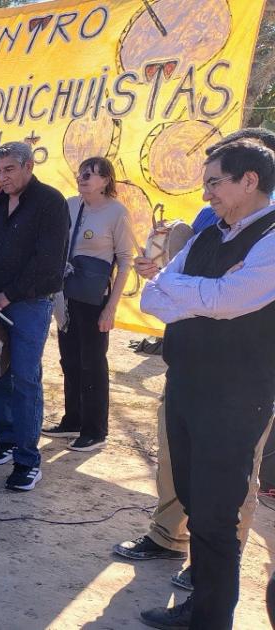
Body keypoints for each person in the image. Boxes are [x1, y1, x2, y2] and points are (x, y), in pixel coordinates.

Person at [113, 128, 275, 593]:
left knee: (225, 493)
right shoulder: (212, 225)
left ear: (249, 179)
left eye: (214, 180)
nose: (206, 193)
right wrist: (193, 291)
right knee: (181, 472)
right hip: (188, 378)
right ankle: (172, 538)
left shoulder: (267, 232)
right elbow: (155, 296)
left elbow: (229, 299)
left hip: (239, 391)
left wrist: (184, 289)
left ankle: (211, 570)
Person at [0, 141, 69, 492]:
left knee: (25, 378)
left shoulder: (50, 203)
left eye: (8, 169)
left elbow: (47, 262)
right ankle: (7, 438)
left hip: (28, 303)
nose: (2, 177)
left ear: (28, 166)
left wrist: (6, 295)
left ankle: (28, 459)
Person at [39, 158, 135, 453]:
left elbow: (125, 260)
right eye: (81, 173)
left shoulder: (117, 212)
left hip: (94, 299)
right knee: (69, 359)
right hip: (66, 295)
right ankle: (73, 420)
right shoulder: (70, 204)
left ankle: (95, 430)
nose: (83, 178)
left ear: (106, 180)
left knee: (92, 362)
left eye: (91, 174)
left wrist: (111, 308)